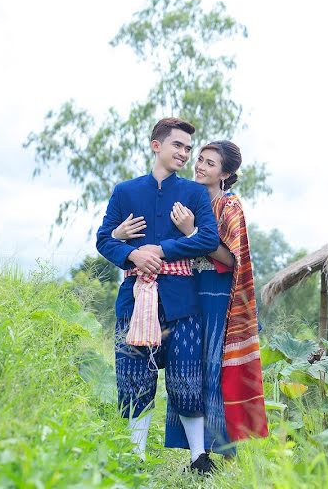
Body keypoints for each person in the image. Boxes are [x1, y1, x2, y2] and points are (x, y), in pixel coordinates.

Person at [113, 140, 268, 458]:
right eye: (200, 159)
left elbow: (229, 257)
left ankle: (219, 451)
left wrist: (191, 231)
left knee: (214, 368)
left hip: (217, 295)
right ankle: (196, 452)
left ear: (225, 173)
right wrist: (117, 237)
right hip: (188, 292)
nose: (200, 166)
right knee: (190, 371)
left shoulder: (229, 206)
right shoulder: (188, 199)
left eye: (210, 163)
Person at [96, 117, 220, 475]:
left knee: (186, 379)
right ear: (156, 146)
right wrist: (132, 254)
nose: (184, 153)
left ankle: (199, 459)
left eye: (187, 148)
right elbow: (103, 239)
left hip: (183, 302)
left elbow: (208, 240)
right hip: (134, 300)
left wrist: (159, 250)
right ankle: (133, 460)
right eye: (177, 146)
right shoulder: (125, 192)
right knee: (134, 379)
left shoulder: (194, 194)